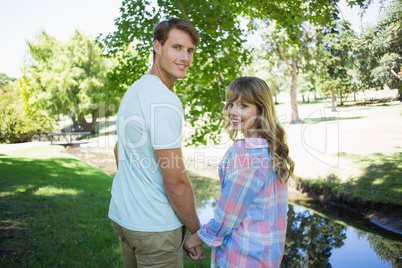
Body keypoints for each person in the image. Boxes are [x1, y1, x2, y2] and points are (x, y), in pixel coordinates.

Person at [108, 18, 204, 267]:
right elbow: (176, 181)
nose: (185, 57)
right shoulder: (165, 101)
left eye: (190, 50)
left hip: (124, 219)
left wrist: (137, 190)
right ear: (157, 47)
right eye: (176, 47)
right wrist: (195, 231)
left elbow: (120, 149)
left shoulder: (135, 90)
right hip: (155, 229)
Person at [184, 77, 295, 268]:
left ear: (261, 110)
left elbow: (227, 216)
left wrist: (196, 238)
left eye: (243, 106)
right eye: (230, 104)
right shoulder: (272, 149)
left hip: (242, 258)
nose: (232, 112)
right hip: (268, 257)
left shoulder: (246, 155)